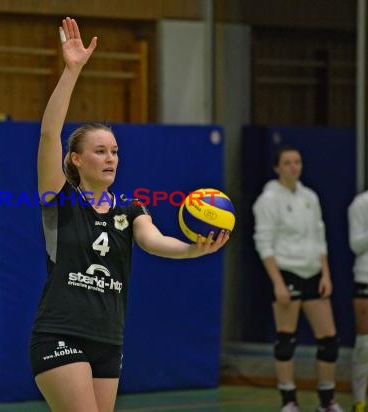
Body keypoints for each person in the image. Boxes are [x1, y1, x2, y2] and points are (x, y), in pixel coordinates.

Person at [29, 17, 229, 412]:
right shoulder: (60, 198)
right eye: (100, 151)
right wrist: (72, 71)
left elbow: (154, 241)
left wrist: (194, 250)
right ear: (76, 159)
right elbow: (49, 135)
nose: (110, 158)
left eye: (115, 151)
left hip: (108, 338)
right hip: (59, 333)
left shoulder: (131, 208)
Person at [252, 146, 343, 412]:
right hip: (287, 272)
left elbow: (319, 237)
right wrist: (278, 282)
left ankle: (327, 401)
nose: (294, 166)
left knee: (328, 339)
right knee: (286, 339)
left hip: (313, 272)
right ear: (277, 168)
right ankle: (289, 400)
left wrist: (325, 273)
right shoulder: (268, 199)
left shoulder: (310, 197)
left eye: (297, 162)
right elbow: (264, 242)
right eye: (287, 162)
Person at [349, 190, 368, 412]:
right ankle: (359, 400)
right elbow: (356, 245)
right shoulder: (360, 204)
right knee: (365, 343)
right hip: (365, 277)